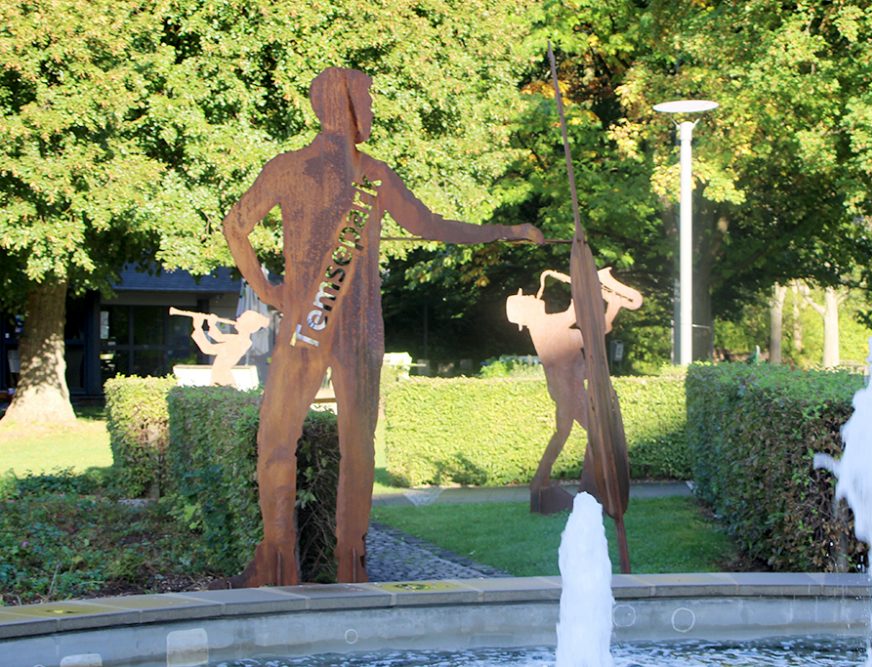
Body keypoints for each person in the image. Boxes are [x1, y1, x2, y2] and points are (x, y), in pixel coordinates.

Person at [222, 67, 543, 586]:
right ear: (345, 103)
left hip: (308, 322)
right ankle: (350, 564)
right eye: (366, 97)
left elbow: (235, 228)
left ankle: (279, 562)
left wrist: (271, 292)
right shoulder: (371, 174)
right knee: (355, 444)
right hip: (357, 327)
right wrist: (508, 232)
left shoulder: (292, 167)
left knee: (278, 441)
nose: (370, 107)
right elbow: (432, 226)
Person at [506, 268, 641, 514]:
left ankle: (550, 483)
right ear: (526, 312)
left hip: (571, 387)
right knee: (573, 433)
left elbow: (597, 329)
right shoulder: (544, 326)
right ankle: (555, 483)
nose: (536, 298)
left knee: (583, 433)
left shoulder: (546, 326)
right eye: (529, 300)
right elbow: (575, 314)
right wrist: (587, 286)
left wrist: (612, 305)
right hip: (566, 389)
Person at [188, 311, 270, 387]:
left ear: (246, 325)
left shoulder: (238, 342)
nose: (237, 319)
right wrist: (212, 324)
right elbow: (219, 337)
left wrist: (198, 328)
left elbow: (208, 348)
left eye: (241, 318)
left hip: (223, 378)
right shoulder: (241, 339)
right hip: (222, 376)